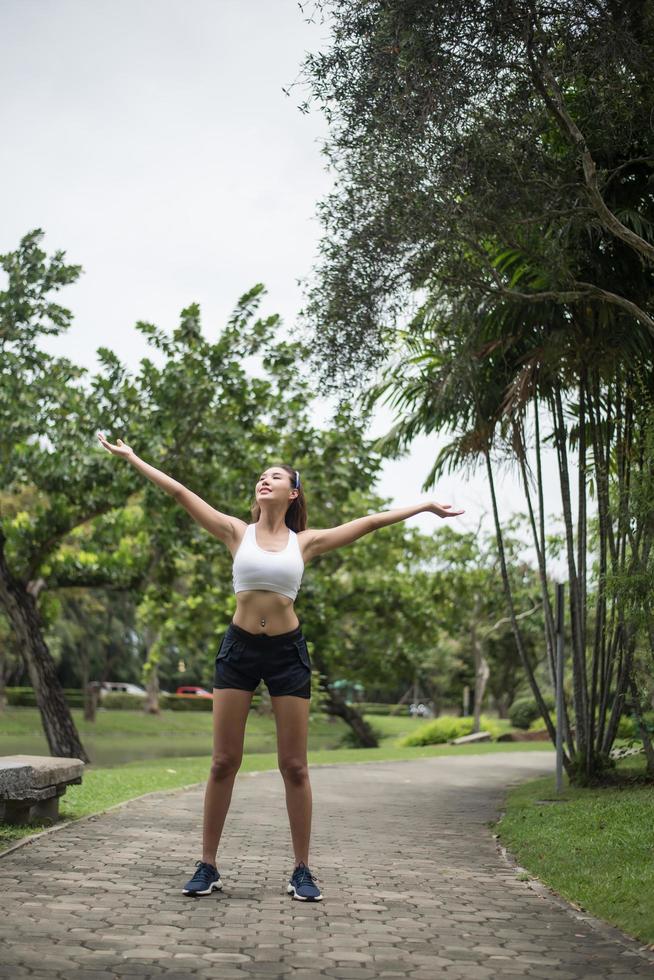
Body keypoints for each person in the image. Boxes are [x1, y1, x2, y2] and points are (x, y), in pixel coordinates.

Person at [97, 432, 464, 901]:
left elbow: (369, 522)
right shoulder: (235, 531)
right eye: (261, 477)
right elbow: (179, 492)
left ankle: (302, 870)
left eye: (275, 477)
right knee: (223, 761)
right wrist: (133, 457)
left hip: (287, 652)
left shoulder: (305, 542)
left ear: (293, 493)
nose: (264, 481)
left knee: (294, 766)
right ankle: (207, 865)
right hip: (239, 649)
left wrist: (423, 507)